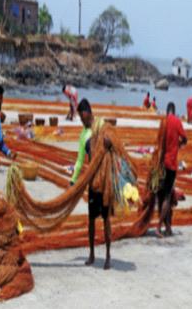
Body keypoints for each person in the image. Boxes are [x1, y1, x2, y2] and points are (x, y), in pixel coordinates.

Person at [70, 98, 113, 270]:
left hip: (105, 180)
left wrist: (109, 143)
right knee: (91, 220)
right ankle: (92, 254)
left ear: (88, 113)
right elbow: (80, 161)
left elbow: (114, 143)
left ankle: (108, 256)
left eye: (82, 117)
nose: (82, 120)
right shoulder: (83, 135)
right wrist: (73, 180)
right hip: (92, 182)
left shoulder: (102, 125)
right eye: (80, 118)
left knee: (106, 219)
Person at [156, 102, 187, 238]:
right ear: (174, 111)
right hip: (171, 164)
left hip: (161, 164)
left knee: (161, 196)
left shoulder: (163, 122)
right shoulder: (176, 121)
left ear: (167, 111)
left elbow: (159, 142)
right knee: (168, 197)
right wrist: (178, 144)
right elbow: (185, 138)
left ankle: (168, 227)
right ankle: (158, 227)